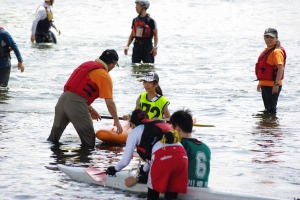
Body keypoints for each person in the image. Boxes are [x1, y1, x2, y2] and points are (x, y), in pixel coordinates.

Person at [47, 49, 123, 148]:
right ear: (112, 64)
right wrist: (116, 121)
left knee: (53, 140)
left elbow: (76, 91)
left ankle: (53, 162)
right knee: (89, 141)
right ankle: (83, 163)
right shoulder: (104, 75)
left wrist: (90, 109)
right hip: (76, 105)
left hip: (62, 100)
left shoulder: (86, 65)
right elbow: (110, 103)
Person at [106, 109, 188, 200]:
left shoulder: (135, 131)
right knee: (171, 197)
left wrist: (114, 169)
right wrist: (143, 170)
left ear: (132, 124)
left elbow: (125, 161)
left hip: (163, 158)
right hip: (182, 156)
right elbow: (155, 154)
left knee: (152, 196)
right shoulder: (158, 126)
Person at [170, 109, 211, 187]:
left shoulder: (180, 145)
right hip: (203, 188)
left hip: (185, 189)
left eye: (172, 127)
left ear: (177, 129)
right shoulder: (205, 147)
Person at [255, 28, 287, 114]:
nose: (269, 39)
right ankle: (269, 126)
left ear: (276, 38)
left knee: (270, 110)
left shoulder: (276, 52)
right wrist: (260, 83)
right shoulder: (268, 50)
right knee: (268, 109)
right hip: (265, 85)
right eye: (267, 37)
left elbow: (280, 68)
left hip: (272, 85)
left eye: (271, 37)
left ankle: (272, 126)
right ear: (264, 38)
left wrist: (276, 84)